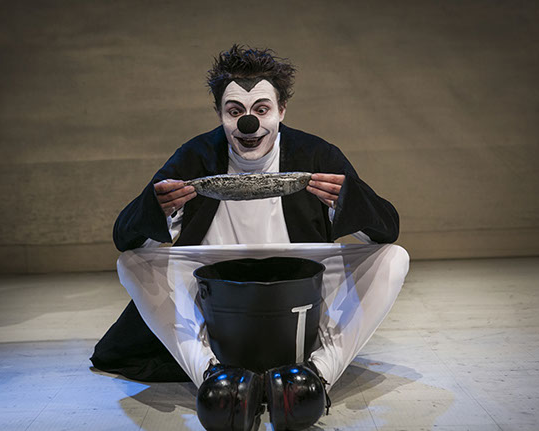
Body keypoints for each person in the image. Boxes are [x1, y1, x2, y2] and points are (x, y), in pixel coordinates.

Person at [91, 44, 408, 431]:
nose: (248, 123)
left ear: (281, 111)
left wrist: (350, 200)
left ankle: (316, 376)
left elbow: (386, 229)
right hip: (215, 288)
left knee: (395, 257)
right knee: (131, 263)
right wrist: (155, 208)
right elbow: (127, 239)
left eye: (261, 109)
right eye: (235, 111)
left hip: (300, 284)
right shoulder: (196, 156)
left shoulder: (316, 154)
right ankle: (211, 375)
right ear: (220, 115)